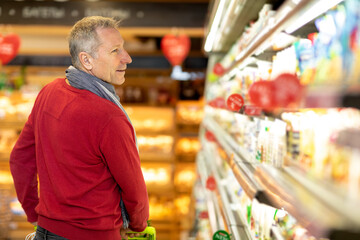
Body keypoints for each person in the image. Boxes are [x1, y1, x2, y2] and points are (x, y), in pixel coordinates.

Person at [9, 16, 149, 240]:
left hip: (46, 232)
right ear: (87, 60)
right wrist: (139, 224)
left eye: (123, 48)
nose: (127, 58)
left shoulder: (49, 92)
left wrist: (34, 213)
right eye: (115, 51)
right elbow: (133, 188)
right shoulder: (109, 116)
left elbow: (19, 159)